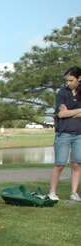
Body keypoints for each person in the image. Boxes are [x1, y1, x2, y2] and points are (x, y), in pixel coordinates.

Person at [49, 66, 81, 203]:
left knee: (76, 164)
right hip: (63, 133)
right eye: (67, 80)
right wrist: (78, 112)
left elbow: (67, 113)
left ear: (79, 79)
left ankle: (74, 193)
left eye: (71, 80)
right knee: (60, 164)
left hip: (79, 134)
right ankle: (52, 192)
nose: (68, 83)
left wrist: (70, 112)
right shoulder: (62, 93)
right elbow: (61, 114)